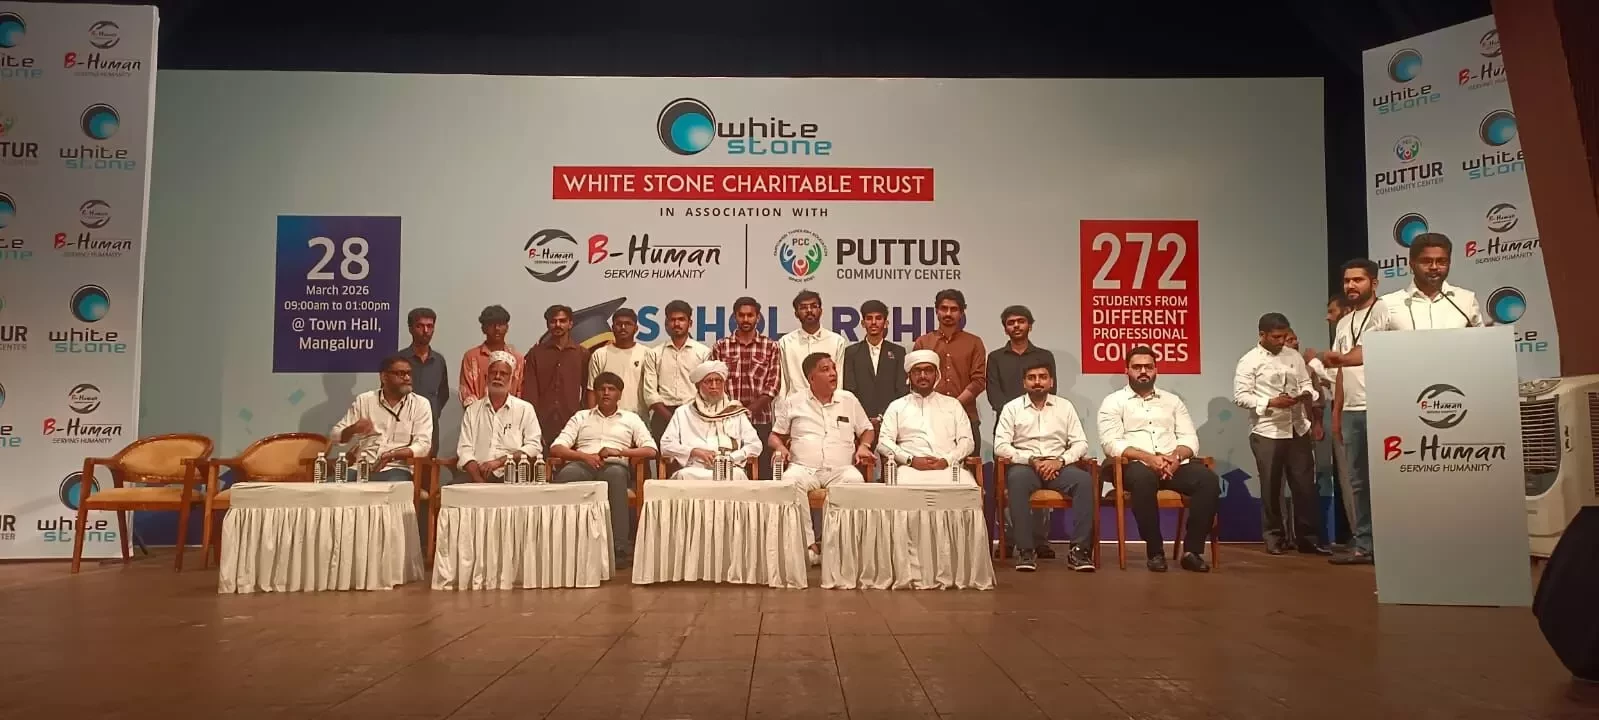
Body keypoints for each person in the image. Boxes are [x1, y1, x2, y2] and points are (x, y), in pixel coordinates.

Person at [1096, 346, 1218, 573]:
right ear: (1126, 371)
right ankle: (1155, 552)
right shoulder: (1113, 402)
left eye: (1148, 367)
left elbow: (1189, 438)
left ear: (1156, 370)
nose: (1143, 371)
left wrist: (1175, 457)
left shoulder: (1173, 401)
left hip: (1172, 465)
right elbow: (1111, 443)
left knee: (1207, 480)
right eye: (1137, 367)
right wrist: (1149, 458)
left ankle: (1192, 552)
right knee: (1144, 479)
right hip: (1134, 466)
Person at [1233, 313, 1329, 556]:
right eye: (1276, 337)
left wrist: (1306, 394)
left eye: (1284, 336)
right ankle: (1274, 537)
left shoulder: (1293, 356)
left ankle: (1308, 539)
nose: (1281, 341)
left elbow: (1306, 383)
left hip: (1298, 427)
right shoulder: (1249, 361)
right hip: (1268, 430)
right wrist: (1271, 402)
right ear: (1262, 335)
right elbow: (1241, 396)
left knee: (1305, 486)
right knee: (1272, 487)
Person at [769, 352, 875, 561]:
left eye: (833, 368)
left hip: (840, 469)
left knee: (855, 481)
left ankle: (836, 545)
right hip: (803, 468)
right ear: (811, 378)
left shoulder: (848, 399)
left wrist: (864, 446)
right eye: (825, 370)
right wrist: (780, 447)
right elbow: (774, 435)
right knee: (789, 482)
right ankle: (808, 545)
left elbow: (867, 429)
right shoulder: (794, 402)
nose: (833, 373)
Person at [994, 361, 1095, 572]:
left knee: (1084, 481)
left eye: (1042, 377)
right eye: (1032, 378)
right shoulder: (1012, 408)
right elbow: (1001, 446)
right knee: (1017, 480)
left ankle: (1079, 551)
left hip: (1058, 465)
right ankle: (1026, 550)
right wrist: (1031, 460)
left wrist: (1060, 460)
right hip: (1026, 465)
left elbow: (1080, 443)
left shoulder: (1065, 407)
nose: (1037, 382)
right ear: (1024, 383)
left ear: (1051, 382)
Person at [549, 371, 657, 568]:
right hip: (582, 463)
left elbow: (651, 449)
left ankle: (619, 548)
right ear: (596, 393)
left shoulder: (631, 418)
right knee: (567, 475)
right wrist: (584, 456)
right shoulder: (581, 417)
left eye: (611, 389)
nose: (606, 393)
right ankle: (559, 544)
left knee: (614, 476)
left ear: (620, 394)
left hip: (614, 464)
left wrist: (620, 452)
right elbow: (556, 447)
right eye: (601, 389)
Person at [1319, 258, 1387, 565]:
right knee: (1357, 482)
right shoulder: (1344, 323)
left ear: (1374, 282)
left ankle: (1392, 543)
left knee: (1388, 480)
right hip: (1351, 410)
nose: (1351, 285)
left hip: (1384, 406)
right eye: (1347, 281)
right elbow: (1341, 373)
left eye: (1358, 280)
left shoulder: (1387, 312)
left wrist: (1343, 359)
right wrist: (1336, 412)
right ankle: (1364, 545)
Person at [986, 304, 1058, 559]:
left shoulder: (1043, 356)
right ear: (1005, 328)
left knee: (1042, 477)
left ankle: (1040, 540)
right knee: (1009, 485)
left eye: (1021, 321)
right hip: (1008, 428)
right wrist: (1015, 414)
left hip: (1042, 425)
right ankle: (1009, 538)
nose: (1016, 326)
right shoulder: (996, 357)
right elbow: (993, 392)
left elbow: (1051, 389)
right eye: (1011, 322)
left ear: (1030, 325)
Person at [878, 349, 976, 485]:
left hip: (948, 468)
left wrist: (946, 460)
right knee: (899, 485)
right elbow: (883, 442)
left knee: (968, 487)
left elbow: (967, 441)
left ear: (937, 374)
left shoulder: (953, 405)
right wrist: (910, 459)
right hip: (909, 469)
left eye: (928, 371)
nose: (923, 376)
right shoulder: (897, 406)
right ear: (909, 375)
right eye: (917, 371)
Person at [331, 354, 433, 482]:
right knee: (331, 487)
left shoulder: (420, 404)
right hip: (361, 466)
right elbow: (335, 436)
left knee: (391, 487)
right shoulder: (365, 400)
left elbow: (423, 445)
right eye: (401, 374)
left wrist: (392, 455)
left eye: (409, 373)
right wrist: (353, 429)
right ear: (384, 377)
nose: (407, 378)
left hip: (396, 468)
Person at [710, 296, 781, 476]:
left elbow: (773, 386)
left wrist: (749, 411)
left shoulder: (770, 346)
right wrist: (735, 412)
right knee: (728, 471)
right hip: (727, 421)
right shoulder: (721, 346)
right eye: (741, 315)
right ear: (735, 317)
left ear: (758, 317)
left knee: (762, 473)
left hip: (760, 420)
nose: (746, 319)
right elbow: (715, 383)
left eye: (750, 315)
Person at [661, 360, 761, 480]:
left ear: (724, 385)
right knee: (684, 475)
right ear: (698, 386)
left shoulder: (735, 412)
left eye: (718, 381)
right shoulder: (683, 413)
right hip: (695, 469)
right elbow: (666, 445)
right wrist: (693, 451)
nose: (714, 386)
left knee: (737, 475)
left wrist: (732, 458)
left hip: (729, 468)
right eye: (708, 381)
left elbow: (755, 444)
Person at [913, 289, 986, 453]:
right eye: (944, 308)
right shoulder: (923, 342)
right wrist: (940, 407)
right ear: (936, 311)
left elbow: (979, 381)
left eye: (953, 309)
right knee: (930, 465)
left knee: (970, 465)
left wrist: (954, 405)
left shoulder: (974, 342)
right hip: (929, 417)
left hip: (966, 415)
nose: (948, 313)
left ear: (961, 313)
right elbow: (916, 380)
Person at [455, 351, 542, 482]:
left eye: (503, 374)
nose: (497, 377)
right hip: (477, 475)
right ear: (486, 378)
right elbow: (464, 450)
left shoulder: (525, 409)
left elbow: (534, 446)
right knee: (452, 489)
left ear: (511, 380)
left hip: (512, 474)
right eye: (493, 373)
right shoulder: (472, 411)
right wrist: (478, 480)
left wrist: (500, 461)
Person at [1375, 232, 1482, 330]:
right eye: (1426, 261)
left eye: (1441, 261)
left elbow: (1481, 341)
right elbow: (1371, 343)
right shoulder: (1387, 304)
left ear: (1449, 263)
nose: (1434, 267)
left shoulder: (1466, 300)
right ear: (1411, 264)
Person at [642, 300, 711, 444]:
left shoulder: (703, 353)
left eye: (681, 319)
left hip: (694, 414)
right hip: (662, 415)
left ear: (690, 323)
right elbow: (650, 393)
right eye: (672, 320)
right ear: (666, 324)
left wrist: (691, 415)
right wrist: (671, 418)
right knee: (663, 456)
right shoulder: (654, 354)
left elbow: (707, 390)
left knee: (695, 455)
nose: (677, 324)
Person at [524, 304, 590, 450]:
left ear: (570, 324)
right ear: (548, 325)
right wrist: (532, 426)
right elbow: (530, 393)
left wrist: (582, 419)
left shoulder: (582, 354)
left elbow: (587, 391)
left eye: (562, 321)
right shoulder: (536, 353)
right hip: (541, 423)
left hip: (572, 422)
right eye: (553, 321)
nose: (558, 325)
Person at [841, 299, 906, 440]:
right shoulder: (851, 352)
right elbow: (850, 389)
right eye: (869, 318)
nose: (874, 322)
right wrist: (864, 418)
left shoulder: (898, 352)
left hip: (891, 421)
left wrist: (882, 417)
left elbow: (901, 390)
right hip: (860, 424)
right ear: (863, 323)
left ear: (886, 323)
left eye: (878, 318)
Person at [398, 307, 449, 456]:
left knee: (428, 467)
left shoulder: (439, 361)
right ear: (411, 328)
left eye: (430, 326)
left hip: (430, 428)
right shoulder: (399, 360)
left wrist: (433, 412)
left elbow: (443, 394)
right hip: (402, 427)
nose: (426, 331)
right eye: (420, 326)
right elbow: (388, 393)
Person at [778, 290, 847, 397]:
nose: (809, 310)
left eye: (814, 306)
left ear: (821, 311)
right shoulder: (786, 342)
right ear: (796, 314)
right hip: (796, 404)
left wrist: (837, 404)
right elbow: (783, 383)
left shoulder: (837, 341)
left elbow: (839, 380)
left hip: (828, 403)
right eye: (803, 307)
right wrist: (782, 407)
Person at [587, 307, 649, 415]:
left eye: (628, 324)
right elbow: (592, 389)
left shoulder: (647, 354)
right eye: (619, 324)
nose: (623, 327)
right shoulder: (600, 354)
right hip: (607, 416)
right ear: (612, 328)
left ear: (636, 328)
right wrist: (592, 417)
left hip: (638, 416)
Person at [460, 305, 521, 407]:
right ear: (483, 328)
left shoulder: (517, 359)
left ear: (507, 328)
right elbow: (466, 394)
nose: (497, 328)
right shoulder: (471, 357)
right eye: (492, 324)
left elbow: (520, 393)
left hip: (511, 414)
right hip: (477, 414)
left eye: (500, 324)